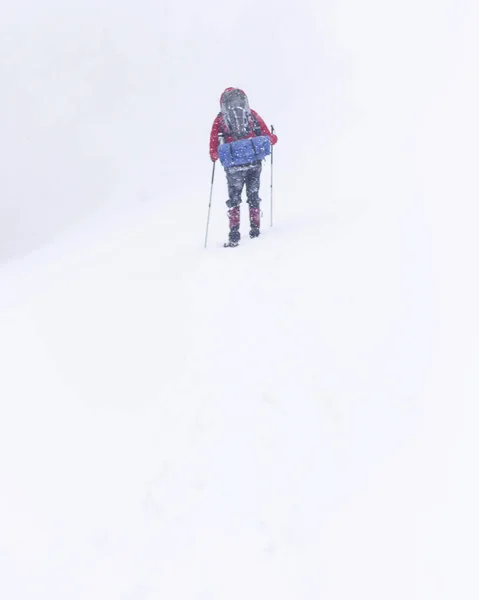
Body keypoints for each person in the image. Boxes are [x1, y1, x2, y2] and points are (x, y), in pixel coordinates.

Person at [209, 88, 278, 246]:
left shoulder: (220, 119)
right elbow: (270, 138)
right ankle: (255, 231)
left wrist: (218, 153)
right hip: (254, 163)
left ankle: (234, 235)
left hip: (233, 168)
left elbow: (213, 152)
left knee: (234, 199)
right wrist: (272, 137)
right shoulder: (252, 114)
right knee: (253, 195)